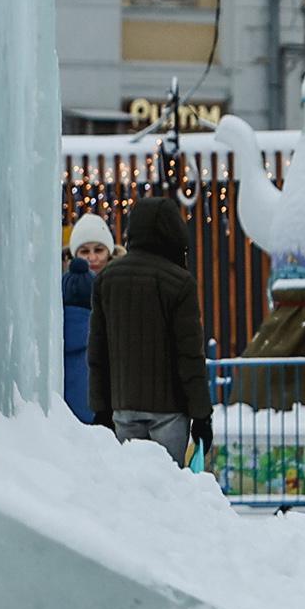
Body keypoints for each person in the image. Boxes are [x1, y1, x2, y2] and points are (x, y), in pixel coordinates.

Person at [89, 193, 213, 467]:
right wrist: (202, 414)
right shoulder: (179, 283)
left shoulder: (107, 279)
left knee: (131, 492)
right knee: (167, 492)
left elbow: (98, 351)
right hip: (170, 412)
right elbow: (189, 354)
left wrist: (101, 408)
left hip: (123, 407)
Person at [61, 213, 116, 423]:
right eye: (85, 251)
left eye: (98, 250)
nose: (92, 257)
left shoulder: (121, 288)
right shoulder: (66, 289)